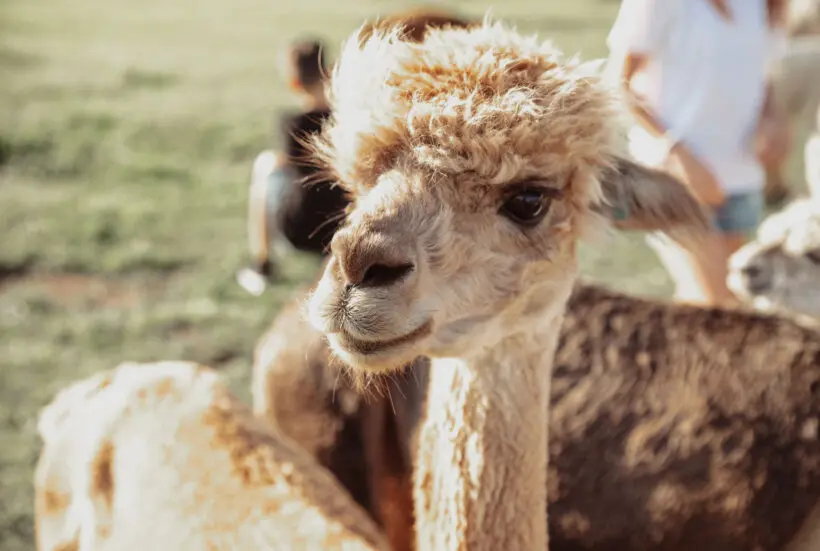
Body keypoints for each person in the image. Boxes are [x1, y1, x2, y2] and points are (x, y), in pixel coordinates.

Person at [607, 0, 792, 306]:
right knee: (723, 307)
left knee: (715, 309)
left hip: (742, 180)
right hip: (680, 182)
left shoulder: (764, 4)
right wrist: (679, 155)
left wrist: (772, 120)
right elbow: (620, 86)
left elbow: (762, 79)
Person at [238, 38, 347, 295]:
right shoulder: (347, 120)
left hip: (299, 231)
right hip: (341, 227)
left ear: (293, 83)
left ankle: (262, 264)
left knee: (266, 165)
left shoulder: (291, 125)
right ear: (330, 71)